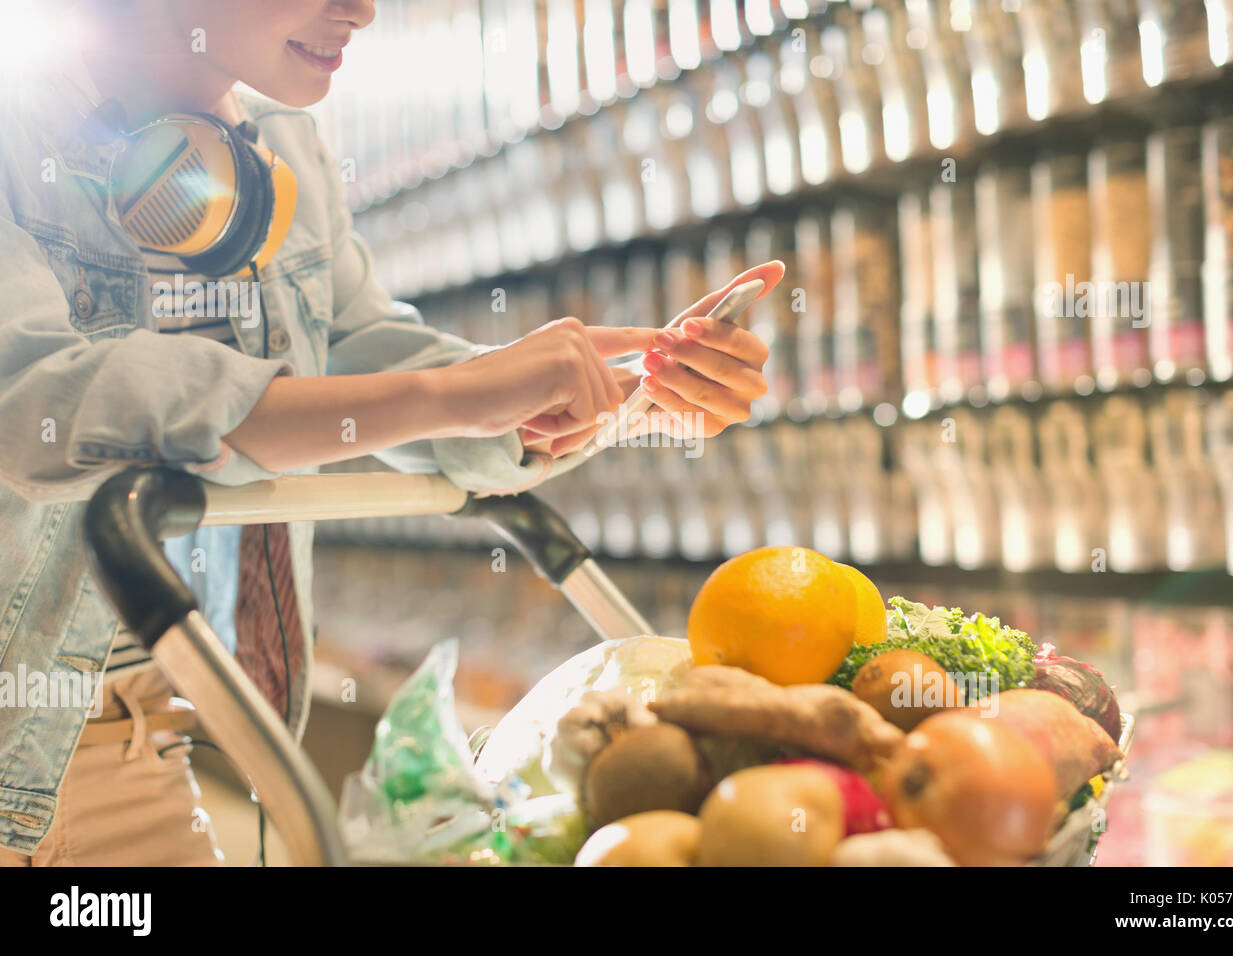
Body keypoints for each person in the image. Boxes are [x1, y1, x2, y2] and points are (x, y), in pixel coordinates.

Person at [0, 0, 779, 865]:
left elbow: (356, 351)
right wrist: (444, 395)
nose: (362, 11)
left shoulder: (285, 142)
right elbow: (32, 398)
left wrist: (587, 395)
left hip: (150, 741)